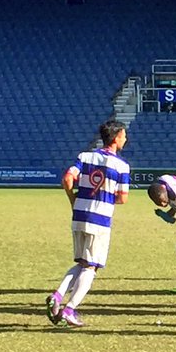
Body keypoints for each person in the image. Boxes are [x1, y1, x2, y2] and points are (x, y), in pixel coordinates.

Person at [45, 120, 130, 328]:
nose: (126, 139)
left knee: (82, 262)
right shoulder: (121, 166)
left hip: (79, 216)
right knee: (91, 267)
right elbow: (122, 198)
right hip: (99, 220)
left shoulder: (85, 156)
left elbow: (67, 179)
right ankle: (69, 310)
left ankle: (57, 296)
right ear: (117, 137)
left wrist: (73, 199)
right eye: (124, 135)